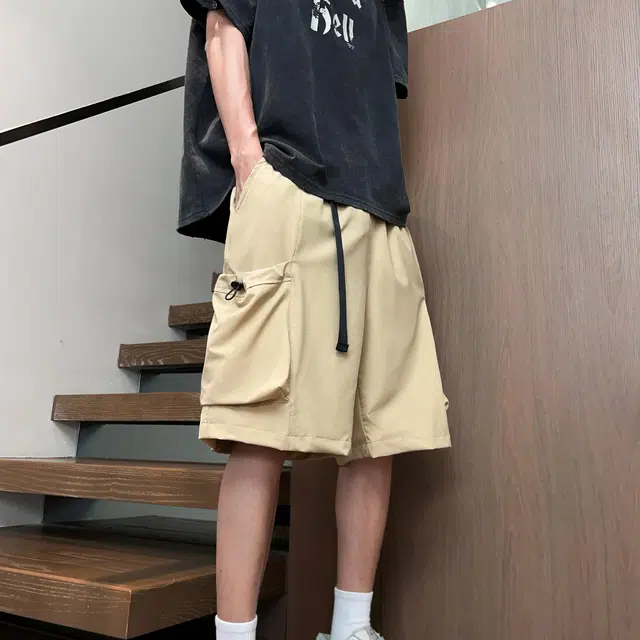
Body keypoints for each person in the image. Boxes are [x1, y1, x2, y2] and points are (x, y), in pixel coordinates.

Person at [178, 1, 451, 638]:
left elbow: (374, 84)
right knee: (257, 426)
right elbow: (222, 27)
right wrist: (249, 165)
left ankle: (352, 626)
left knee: (378, 430)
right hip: (285, 184)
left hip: (377, 204)